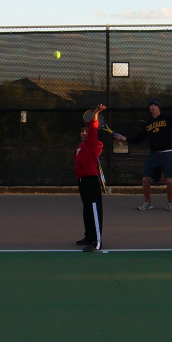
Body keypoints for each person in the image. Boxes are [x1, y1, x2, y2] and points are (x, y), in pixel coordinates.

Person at [113, 98, 172, 211]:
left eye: (154, 105)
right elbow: (137, 138)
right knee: (145, 179)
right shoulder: (147, 124)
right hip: (154, 154)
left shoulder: (167, 118)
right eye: (150, 105)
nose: (152, 107)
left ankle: (170, 203)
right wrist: (124, 138)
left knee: (169, 180)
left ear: (158, 107)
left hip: (167, 153)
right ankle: (147, 202)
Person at [74, 104, 106, 252]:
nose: (84, 133)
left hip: (92, 181)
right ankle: (88, 236)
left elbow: (94, 133)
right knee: (86, 210)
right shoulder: (79, 148)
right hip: (82, 182)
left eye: (87, 131)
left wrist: (96, 115)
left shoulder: (92, 145)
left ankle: (96, 242)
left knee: (93, 210)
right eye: (82, 131)